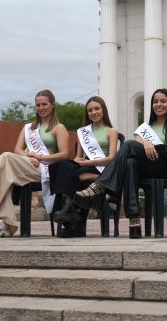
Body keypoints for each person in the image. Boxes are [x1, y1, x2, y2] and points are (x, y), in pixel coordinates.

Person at [0, 89, 70, 238]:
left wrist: (40, 157)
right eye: (38, 105)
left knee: (6, 157)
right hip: (28, 164)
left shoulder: (58, 127)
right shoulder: (29, 127)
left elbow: (65, 154)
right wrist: (29, 154)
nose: (41, 108)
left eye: (44, 104)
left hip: (46, 169)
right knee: (6, 175)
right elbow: (18, 149)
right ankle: (5, 224)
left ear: (53, 105)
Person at [74, 88, 167, 239]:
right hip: (145, 167)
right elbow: (137, 143)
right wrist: (146, 143)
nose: (159, 104)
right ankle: (134, 218)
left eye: (163, 101)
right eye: (155, 101)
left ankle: (99, 186)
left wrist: (154, 146)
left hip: (164, 167)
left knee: (127, 145)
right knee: (130, 162)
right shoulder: (145, 127)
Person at [50, 96, 118, 238]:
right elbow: (78, 157)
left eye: (96, 109)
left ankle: (67, 212)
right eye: (90, 110)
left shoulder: (111, 131)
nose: (93, 112)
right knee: (60, 165)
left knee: (69, 172)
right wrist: (79, 161)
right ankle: (71, 214)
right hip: (84, 167)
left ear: (103, 110)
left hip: (102, 170)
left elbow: (112, 158)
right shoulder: (83, 132)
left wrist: (88, 163)